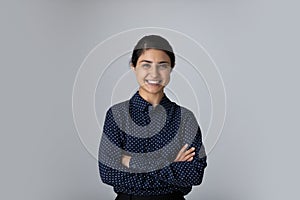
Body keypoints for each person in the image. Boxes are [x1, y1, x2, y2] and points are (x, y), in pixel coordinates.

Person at [98, 35, 207, 200]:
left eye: (162, 65)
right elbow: (109, 174)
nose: (154, 73)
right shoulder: (117, 115)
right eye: (146, 65)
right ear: (133, 67)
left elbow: (194, 175)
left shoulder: (185, 118)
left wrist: (132, 161)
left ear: (171, 68)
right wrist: (171, 167)